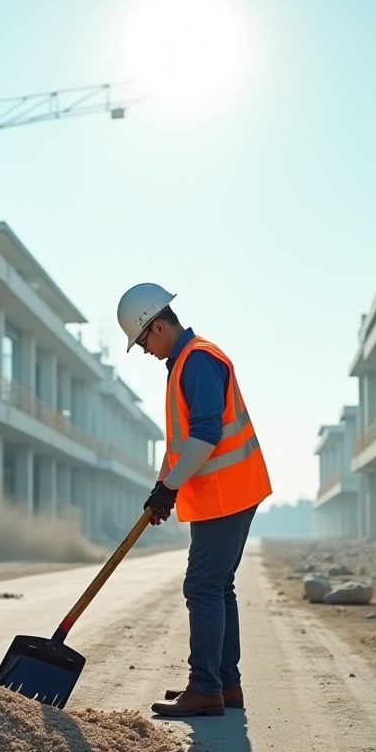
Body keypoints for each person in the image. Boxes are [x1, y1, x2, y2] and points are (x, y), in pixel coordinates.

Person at [118, 283, 272, 717]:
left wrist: (171, 488)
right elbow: (181, 441)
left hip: (228, 494)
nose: (145, 351)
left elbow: (206, 435)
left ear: (159, 326)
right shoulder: (185, 362)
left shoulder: (198, 360)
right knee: (218, 586)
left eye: (143, 340)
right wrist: (162, 486)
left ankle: (205, 687)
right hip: (225, 493)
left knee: (202, 585)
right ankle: (225, 684)